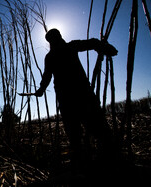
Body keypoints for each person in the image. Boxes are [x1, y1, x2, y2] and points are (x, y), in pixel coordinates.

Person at [35, 29, 118, 170]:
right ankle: (90, 160)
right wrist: (41, 89)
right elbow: (47, 76)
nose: (54, 41)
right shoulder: (61, 51)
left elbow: (91, 43)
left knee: (90, 128)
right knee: (81, 130)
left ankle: (104, 158)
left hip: (77, 96)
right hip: (75, 97)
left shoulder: (61, 51)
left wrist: (104, 48)